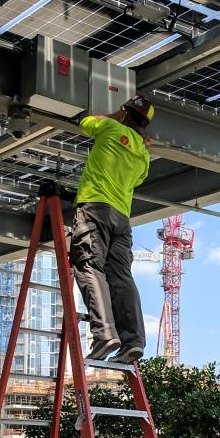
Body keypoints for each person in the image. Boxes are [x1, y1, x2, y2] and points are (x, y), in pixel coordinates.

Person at [70, 94, 154, 363]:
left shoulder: (110, 127)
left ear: (125, 113)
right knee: (121, 277)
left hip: (94, 208)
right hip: (122, 219)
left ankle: (104, 334)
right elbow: (139, 178)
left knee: (89, 266)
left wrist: (111, 117)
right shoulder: (143, 154)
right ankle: (133, 341)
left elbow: (84, 123)